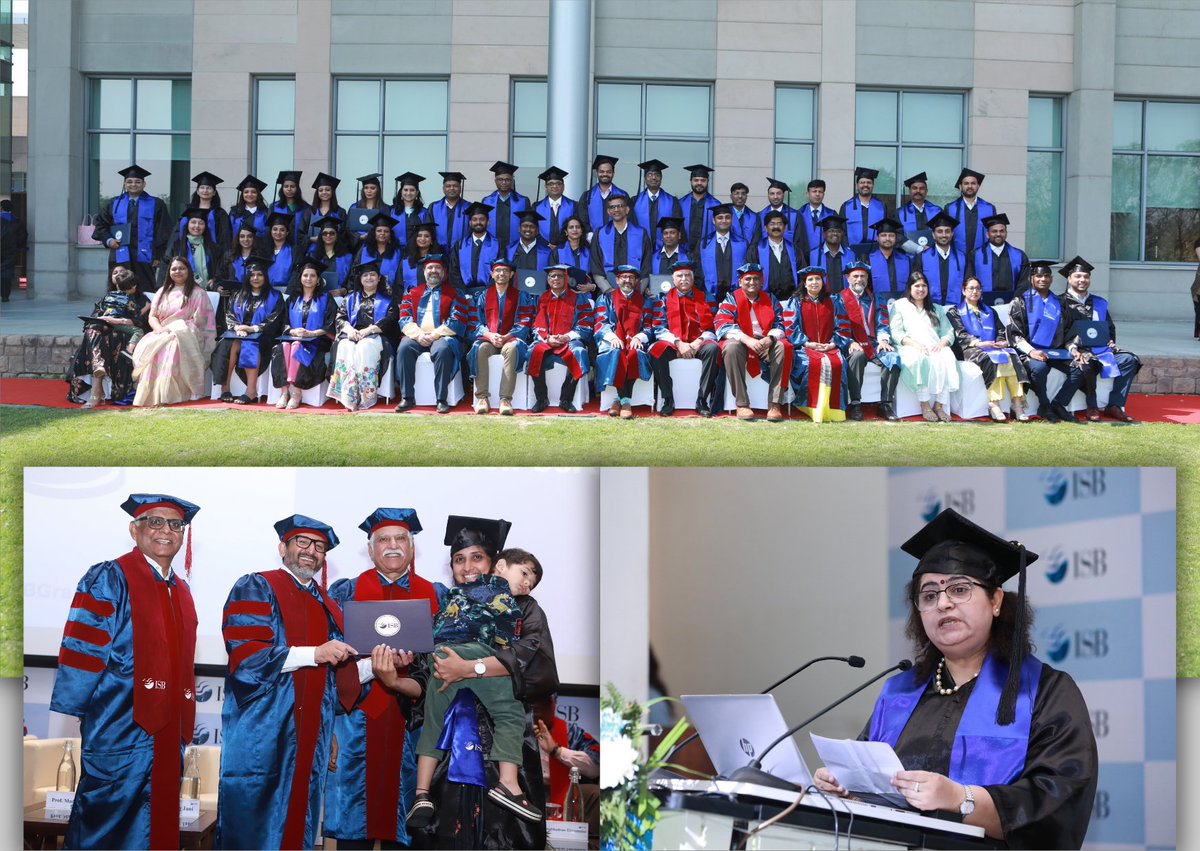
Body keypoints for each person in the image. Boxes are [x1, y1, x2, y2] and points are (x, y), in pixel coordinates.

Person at [814, 508, 1098, 850]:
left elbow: (1058, 803)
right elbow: (876, 795)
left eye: (960, 589)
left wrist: (963, 799)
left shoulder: (1046, 692)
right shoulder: (898, 693)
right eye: (929, 595)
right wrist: (846, 789)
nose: (943, 603)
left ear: (995, 601)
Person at [50, 493, 202, 850]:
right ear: (134, 530)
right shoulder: (110, 577)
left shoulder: (182, 590)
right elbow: (84, 646)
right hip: (119, 727)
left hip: (166, 734)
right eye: (155, 522)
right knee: (106, 827)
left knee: (159, 825)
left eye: (175, 524)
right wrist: (83, 708)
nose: (166, 530)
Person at [396, 524, 555, 850]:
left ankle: (500, 785)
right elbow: (425, 676)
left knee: (501, 836)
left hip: (497, 742)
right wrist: (393, 680)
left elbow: (534, 663)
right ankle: (423, 795)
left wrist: (469, 669)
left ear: (493, 563)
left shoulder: (525, 607)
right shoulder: (443, 606)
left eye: (477, 558)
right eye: (459, 560)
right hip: (451, 741)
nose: (467, 568)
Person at [216, 514, 369, 851]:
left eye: (319, 546)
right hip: (264, 732)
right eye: (303, 542)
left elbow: (337, 673)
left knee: (300, 824)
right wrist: (314, 653)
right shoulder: (256, 586)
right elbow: (247, 656)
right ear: (282, 547)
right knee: (254, 822)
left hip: (311, 735)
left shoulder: (327, 605)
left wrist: (380, 666)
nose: (311, 551)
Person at [325, 508, 439, 850]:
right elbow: (328, 659)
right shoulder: (345, 591)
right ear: (371, 548)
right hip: (355, 720)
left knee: (406, 828)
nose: (392, 546)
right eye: (384, 540)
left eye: (401, 538)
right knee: (353, 830)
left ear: (412, 547)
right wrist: (328, 726)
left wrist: (414, 665)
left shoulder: (436, 594)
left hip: (412, 726)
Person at [1058, 255, 1141, 423]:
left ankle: (1115, 405)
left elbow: (1109, 328)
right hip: (1073, 351)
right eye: (1078, 276)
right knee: (1086, 363)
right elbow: (1058, 332)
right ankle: (1092, 406)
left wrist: (1110, 341)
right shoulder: (1059, 303)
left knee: (1129, 359)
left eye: (1086, 276)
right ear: (1069, 278)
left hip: (1100, 350)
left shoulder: (1099, 302)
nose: (1083, 280)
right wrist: (1073, 347)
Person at [130, 256, 216, 407]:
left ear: (188, 270)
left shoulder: (198, 293)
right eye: (174, 268)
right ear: (169, 271)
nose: (178, 271)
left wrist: (175, 330)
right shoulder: (162, 292)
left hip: (187, 333)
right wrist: (161, 330)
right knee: (155, 344)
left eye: (181, 268)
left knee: (172, 343)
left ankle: (173, 393)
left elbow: (201, 322)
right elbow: (152, 316)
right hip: (161, 332)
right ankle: (154, 393)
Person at [1006, 259, 1085, 424]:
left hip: (1056, 353)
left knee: (1080, 367)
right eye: (1039, 276)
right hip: (1030, 353)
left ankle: (1059, 404)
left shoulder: (1060, 303)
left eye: (1047, 276)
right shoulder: (1019, 302)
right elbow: (1014, 333)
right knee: (1039, 369)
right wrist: (1031, 352)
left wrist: (1073, 349)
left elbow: (1070, 331)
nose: (1043, 279)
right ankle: (1044, 404)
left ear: (1051, 279)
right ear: (1031, 279)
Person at [948, 276, 1030, 422]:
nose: (975, 291)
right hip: (969, 349)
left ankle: (1017, 403)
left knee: (1011, 356)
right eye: (971, 288)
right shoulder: (955, 312)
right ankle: (994, 404)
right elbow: (959, 334)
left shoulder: (989, 311)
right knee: (992, 359)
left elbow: (1000, 330)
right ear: (963, 290)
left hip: (992, 347)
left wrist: (1001, 342)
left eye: (978, 288)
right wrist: (979, 343)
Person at [66, 264, 150, 407]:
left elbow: (140, 322)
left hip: (121, 335)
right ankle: (98, 373)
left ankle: (97, 387)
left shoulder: (140, 299)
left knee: (99, 335)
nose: (119, 275)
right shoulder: (108, 296)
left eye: (122, 273)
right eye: (115, 273)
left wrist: (118, 320)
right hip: (103, 332)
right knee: (93, 329)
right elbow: (96, 315)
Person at [715, 262, 790, 421]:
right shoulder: (732, 298)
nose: (752, 282)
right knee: (730, 348)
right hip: (742, 342)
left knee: (783, 346)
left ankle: (775, 404)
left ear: (762, 281)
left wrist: (770, 338)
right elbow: (722, 323)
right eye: (747, 279)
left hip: (765, 342)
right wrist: (746, 339)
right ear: (740, 281)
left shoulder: (770, 299)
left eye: (756, 279)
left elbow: (780, 323)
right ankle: (742, 404)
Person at [394, 255, 468, 414]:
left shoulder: (454, 293)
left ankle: (441, 399)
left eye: (437, 268)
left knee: (441, 350)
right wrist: (418, 334)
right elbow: (404, 318)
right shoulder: (412, 292)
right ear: (424, 271)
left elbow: (457, 320)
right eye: (430, 268)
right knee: (404, 347)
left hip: (442, 337)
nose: (434, 271)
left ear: (443, 271)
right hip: (416, 336)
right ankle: (407, 397)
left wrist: (434, 335)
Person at [650, 259, 721, 417]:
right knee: (657, 350)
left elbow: (714, 326)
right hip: (674, 343)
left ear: (693, 278)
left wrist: (698, 342)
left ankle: (702, 400)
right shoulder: (663, 298)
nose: (683, 279)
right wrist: (678, 343)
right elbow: (659, 327)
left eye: (687, 275)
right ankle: (668, 399)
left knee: (714, 349)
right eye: (679, 276)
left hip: (699, 342)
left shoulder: (706, 297)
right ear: (673, 279)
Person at [211, 255, 284, 405]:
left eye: (259, 274)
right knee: (228, 344)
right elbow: (229, 314)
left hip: (264, 337)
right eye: (252, 275)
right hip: (238, 334)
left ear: (265, 277)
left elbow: (275, 319)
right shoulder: (238, 294)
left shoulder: (275, 296)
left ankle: (251, 391)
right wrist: (237, 327)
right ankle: (225, 388)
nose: (255, 278)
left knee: (249, 344)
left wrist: (252, 329)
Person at [833, 260, 901, 421]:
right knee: (857, 356)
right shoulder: (838, 299)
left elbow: (883, 322)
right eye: (855, 276)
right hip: (850, 343)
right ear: (848, 278)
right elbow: (837, 326)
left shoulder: (876, 298)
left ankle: (885, 404)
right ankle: (855, 403)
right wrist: (849, 342)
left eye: (863, 276)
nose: (859, 279)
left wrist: (883, 339)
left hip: (873, 343)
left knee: (893, 357)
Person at [467, 257, 536, 416]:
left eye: (505, 271)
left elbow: (525, 321)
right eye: (498, 270)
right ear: (492, 274)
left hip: (510, 338)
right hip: (489, 338)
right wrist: (489, 335)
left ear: (511, 274)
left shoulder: (521, 296)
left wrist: (507, 336)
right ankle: (482, 398)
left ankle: (505, 399)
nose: (501, 274)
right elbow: (474, 322)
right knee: (480, 348)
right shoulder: (482, 296)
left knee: (512, 349)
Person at [328, 260, 398, 412]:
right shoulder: (350, 298)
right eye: (365, 275)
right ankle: (349, 395)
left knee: (364, 346)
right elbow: (340, 318)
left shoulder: (388, 300)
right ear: (360, 279)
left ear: (379, 278)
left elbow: (390, 320)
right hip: (351, 335)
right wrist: (349, 330)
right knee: (345, 345)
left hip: (376, 336)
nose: (369, 278)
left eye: (373, 275)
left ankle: (366, 395)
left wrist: (368, 331)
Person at [891, 269, 959, 422]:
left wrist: (942, 343)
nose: (920, 289)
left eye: (924, 286)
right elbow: (896, 333)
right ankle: (925, 404)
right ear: (909, 288)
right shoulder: (899, 305)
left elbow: (948, 332)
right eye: (916, 286)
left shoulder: (936, 308)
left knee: (947, 356)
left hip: (935, 345)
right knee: (919, 359)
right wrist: (914, 344)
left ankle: (939, 405)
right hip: (909, 346)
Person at [92, 164, 172, 294]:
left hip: (146, 256)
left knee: (145, 288)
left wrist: (158, 256)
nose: (133, 184)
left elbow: (163, 231)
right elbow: (100, 225)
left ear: (144, 184)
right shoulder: (114, 203)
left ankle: (145, 314)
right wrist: (108, 240)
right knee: (118, 287)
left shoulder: (156, 204)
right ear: (124, 184)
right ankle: (117, 312)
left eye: (137, 182)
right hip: (119, 254)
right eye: (129, 182)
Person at [270, 257, 337, 409]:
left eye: (312, 275)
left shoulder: (326, 298)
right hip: (293, 338)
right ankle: (284, 392)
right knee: (283, 347)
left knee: (296, 346)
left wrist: (311, 333)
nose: (308, 278)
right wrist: (293, 330)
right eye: (305, 275)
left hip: (317, 341)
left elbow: (330, 325)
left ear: (318, 279)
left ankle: (297, 392)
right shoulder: (292, 299)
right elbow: (283, 323)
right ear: (300, 278)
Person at [528, 264, 594, 413]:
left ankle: (566, 399)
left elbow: (586, 323)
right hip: (546, 340)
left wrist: (567, 337)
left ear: (567, 279)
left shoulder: (579, 299)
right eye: (552, 276)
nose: (556, 279)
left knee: (578, 352)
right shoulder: (540, 298)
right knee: (534, 351)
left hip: (569, 340)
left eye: (560, 276)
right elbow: (534, 323)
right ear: (548, 279)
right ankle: (541, 398)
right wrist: (546, 338)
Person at [532, 696, 600, 839]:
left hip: (566, 790)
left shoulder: (572, 732)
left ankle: (590, 845)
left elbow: (596, 766)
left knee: (595, 794)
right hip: (529, 790)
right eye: (533, 707)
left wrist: (556, 750)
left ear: (553, 705)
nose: (537, 712)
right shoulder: (517, 732)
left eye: (544, 705)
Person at [784, 267, 846, 423]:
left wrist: (832, 344)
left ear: (823, 282)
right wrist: (807, 343)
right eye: (810, 279)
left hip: (829, 346)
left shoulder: (833, 300)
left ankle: (833, 411)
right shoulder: (796, 302)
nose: (814, 282)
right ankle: (811, 407)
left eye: (818, 279)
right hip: (805, 347)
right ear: (804, 284)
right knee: (812, 364)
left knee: (837, 364)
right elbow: (790, 327)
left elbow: (843, 326)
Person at [595, 264, 654, 419]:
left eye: (631, 278)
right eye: (624, 277)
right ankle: (626, 401)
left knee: (634, 354)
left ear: (636, 281)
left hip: (636, 342)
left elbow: (649, 326)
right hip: (612, 342)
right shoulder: (606, 299)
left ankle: (618, 400)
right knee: (616, 352)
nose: (627, 280)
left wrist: (639, 337)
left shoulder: (644, 301)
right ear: (617, 280)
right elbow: (600, 323)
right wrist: (613, 337)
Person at [589, 194, 651, 294]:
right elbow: (596, 266)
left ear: (627, 209)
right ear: (608, 212)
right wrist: (609, 291)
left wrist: (637, 292)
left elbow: (646, 267)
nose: (616, 209)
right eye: (612, 207)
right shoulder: (600, 234)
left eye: (620, 206)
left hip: (636, 294)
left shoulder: (641, 233)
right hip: (608, 294)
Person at [696, 204, 747, 304]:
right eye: (720, 218)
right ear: (713, 221)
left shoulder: (742, 243)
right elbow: (698, 271)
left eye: (727, 217)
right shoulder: (703, 244)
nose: (724, 220)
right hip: (709, 297)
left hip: (736, 297)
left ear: (732, 220)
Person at [971, 213, 1028, 301]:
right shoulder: (975, 255)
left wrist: (1015, 302)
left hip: (1011, 305)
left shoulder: (1019, 256)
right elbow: (969, 280)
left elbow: (1024, 282)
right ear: (987, 234)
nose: (998, 234)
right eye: (994, 231)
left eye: (1002, 231)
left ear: (1006, 233)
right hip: (982, 305)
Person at [944, 168, 995, 260]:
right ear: (960, 187)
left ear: (978, 186)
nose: (970, 186)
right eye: (966, 183)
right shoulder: (950, 208)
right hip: (956, 258)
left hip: (982, 257)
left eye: (973, 183)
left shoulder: (989, 208)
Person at [164, 207, 219, 291]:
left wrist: (215, 280)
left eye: (201, 223)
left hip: (207, 291)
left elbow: (220, 269)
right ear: (187, 224)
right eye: (193, 222)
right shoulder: (176, 245)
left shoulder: (212, 247)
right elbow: (166, 267)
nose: (197, 226)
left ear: (205, 226)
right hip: (180, 290)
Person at [917, 210, 966, 305]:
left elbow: (968, 286)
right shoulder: (922, 257)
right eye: (940, 231)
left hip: (956, 310)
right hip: (929, 309)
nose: (944, 235)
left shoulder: (963, 258)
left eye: (947, 231)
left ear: (952, 234)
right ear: (933, 235)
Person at [451, 202, 502, 294]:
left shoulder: (497, 244)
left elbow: (500, 270)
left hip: (489, 293)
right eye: (474, 219)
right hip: (464, 294)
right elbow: (454, 271)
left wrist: (488, 291)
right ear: (470, 223)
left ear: (488, 222)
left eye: (482, 219)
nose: (478, 222)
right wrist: (463, 293)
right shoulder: (460, 245)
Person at [630, 159, 680, 247]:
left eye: (657, 175)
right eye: (650, 175)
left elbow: (678, 228)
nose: (653, 178)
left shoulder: (672, 201)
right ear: (645, 178)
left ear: (661, 178)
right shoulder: (634, 201)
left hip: (664, 251)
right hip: (641, 250)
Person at [177, 171, 232, 251]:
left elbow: (225, 237)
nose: (205, 191)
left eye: (208, 188)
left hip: (213, 254)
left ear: (214, 193)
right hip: (189, 251)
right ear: (197, 191)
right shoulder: (189, 211)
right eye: (202, 187)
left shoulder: (220, 213)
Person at [482, 161, 531, 250]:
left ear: (512, 181)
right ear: (495, 181)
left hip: (516, 248)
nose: (504, 182)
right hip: (491, 248)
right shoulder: (486, 201)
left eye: (507, 179)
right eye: (500, 179)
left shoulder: (523, 201)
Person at [577, 154, 627, 237]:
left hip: (617, 242)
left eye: (608, 172)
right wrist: (589, 235)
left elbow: (628, 219)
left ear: (613, 174)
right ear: (597, 173)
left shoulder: (623, 195)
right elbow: (581, 218)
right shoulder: (587, 196)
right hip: (592, 242)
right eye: (601, 171)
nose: (605, 174)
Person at [755, 209, 801, 300]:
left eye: (780, 224)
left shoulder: (794, 249)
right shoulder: (756, 249)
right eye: (772, 224)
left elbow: (802, 274)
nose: (776, 227)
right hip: (764, 301)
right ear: (765, 228)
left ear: (784, 227)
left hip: (791, 301)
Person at [307, 214, 356, 297]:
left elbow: (352, 279)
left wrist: (344, 290)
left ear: (337, 236)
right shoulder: (312, 256)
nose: (328, 236)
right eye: (325, 233)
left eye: (332, 233)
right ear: (321, 236)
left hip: (339, 297)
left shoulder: (347, 257)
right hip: (317, 296)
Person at [865, 215, 913, 298]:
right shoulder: (867, 260)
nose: (887, 238)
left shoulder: (906, 260)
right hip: (877, 306)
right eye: (883, 235)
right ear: (877, 238)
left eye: (891, 235)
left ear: (895, 238)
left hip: (902, 306)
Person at [354, 212, 405, 289]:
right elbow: (354, 270)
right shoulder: (364, 249)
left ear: (390, 234)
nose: (382, 233)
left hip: (389, 293)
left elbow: (400, 276)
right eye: (379, 231)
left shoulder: (398, 253)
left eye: (386, 231)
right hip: (364, 292)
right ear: (374, 233)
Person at [839, 166, 885, 247]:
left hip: (876, 251)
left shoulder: (881, 206)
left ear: (873, 185)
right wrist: (848, 249)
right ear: (857, 185)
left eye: (869, 182)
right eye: (862, 182)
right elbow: (842, 231)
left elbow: (885, 230)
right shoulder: (846, 206)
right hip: (852, 250)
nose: (865, 185)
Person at [679, 164, 719, 255]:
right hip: (684, 253)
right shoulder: (680, 204)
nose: (699, 183)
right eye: (696, 180)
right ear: (691, 181)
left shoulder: (716, 205)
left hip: (707, 253)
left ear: (708, 181)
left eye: (703, 180)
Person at [532, 166, 577, 247]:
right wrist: (546, 244)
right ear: (546, 187)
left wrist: (561, 245)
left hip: (566, 249)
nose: (555, 186)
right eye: (551, 184)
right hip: (543, 249)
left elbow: (576, 228)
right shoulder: (536, 207)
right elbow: (534, 229)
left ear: (563, 187)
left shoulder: (573, 205)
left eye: (558, 183)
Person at [390, 172, 433, 253]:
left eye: (412, 190)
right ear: (401, 192)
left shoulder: (424, 213)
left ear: (417, 192)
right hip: (395, 252)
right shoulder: (392, 211)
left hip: (416, 253)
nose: (408, 193)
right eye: (405, 190)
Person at [298, 172, 346, 245]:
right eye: (320, 190)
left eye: (327, 190)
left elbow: (344, 235)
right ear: (317, 193)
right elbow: (300, 234)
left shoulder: (340, 212)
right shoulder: (309, 212)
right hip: (312, 252)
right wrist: (311, 239)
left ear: (332, 191)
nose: (324, 192)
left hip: (334, 252)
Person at [808, 214, 854, 288]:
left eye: (838, 231)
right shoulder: (814, 255)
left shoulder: (850, 255)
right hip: (823, 298)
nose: (835, 234)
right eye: (831, 231)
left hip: (846, 297)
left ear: (842, 234)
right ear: (824, 234)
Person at [429, 171, 471, 250]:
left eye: (455, 186)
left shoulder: (469, 207)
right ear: (443, 188)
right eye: (448, 186)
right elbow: (429, 231)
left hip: (461, 252)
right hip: (438, 253)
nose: (451, 188)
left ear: (460, 188)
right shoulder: (434, 207)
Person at [271, 169, 311, 250]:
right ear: (282, 188)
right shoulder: (274, 207)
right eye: (286, 186)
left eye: (292, 186)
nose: (289, 189)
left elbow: (307, 230)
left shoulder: (306, 208)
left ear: (297, 188)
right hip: (279, 249)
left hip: (301, 249)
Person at [398, 221, 441, 294]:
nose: (422, 238)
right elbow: (398, 285)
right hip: (409, 301)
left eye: (427, 236)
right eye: (419, 235)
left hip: (433, 301)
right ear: (415, 239)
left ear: (432, 241)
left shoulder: (439, 260)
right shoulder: (406, 262)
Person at [796, 179, 832, 260]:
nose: (817, 194)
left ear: (823, 194)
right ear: (808, 194)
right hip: (803, 259)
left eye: (820, 191)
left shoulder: (831, 214)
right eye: (814, 191)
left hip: (825, 258)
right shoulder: (799, 214)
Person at [0, 198, 28, 301]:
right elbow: (23, 236)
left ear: (1, 208)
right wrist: (20, 247)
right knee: (6, 272)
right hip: (10, 250)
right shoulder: (17, 221)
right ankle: (5, 296)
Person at [228, 174, 270, 240]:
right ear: (242, 195)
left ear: (258, 194)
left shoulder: (265, 213)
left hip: (261, 249)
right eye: (246, 192)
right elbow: (229, 233)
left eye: (253, 192)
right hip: (237, 249)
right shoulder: (234, 212)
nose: (249, 194)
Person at [265, 211, 299, 290]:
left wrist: (289, 291)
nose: (278, 232)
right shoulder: (264, 251)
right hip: (266, 291)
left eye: (282, 230)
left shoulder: (294, 250)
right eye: (275, 229)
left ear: (287, 232)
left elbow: (296, 273)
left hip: (287, 290)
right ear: (271, 231)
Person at [726, 181, 758, 245]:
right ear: (731, 196)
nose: (740, 196)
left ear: (746, 197)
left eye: (743, 194)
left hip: (749, 253)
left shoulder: (754, 217)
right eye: (736, 193)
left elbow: (756, 240)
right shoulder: (724, 215)